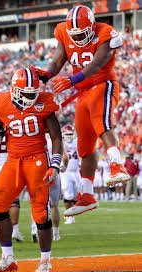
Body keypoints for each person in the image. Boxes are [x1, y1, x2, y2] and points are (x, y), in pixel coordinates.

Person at [30, 5, 130, 216]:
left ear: (92, 26)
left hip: (103, 84)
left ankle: (117, 165)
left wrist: (72, 80)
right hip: (83, 93)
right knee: (85, 145)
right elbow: (59, 59)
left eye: (82, 34)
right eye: (74, 34)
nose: (78, 38)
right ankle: (87, 195)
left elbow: (98, 63)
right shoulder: (63, 32)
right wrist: (47, 75)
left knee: (102, 123)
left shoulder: (106, 33)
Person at [0, 67, 63, 272]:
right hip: (13, 161)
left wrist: (54, 164)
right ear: (15, 90)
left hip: (37, 161)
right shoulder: (0, 103)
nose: (30, 98)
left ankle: (45, 261)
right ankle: (7, 257)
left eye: (33, 93)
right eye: (25, 94)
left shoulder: (44, 102)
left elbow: (56, 137)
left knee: (40, 213)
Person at [61, 124, 81, 224]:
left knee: (76, 196)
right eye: (67, 134)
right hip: (65, 172)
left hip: (76, 171)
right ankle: (69, 216)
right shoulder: (60, 143)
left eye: (70, 134)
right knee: (68, 195)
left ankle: (71, 215)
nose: (69, 136)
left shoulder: (76, 142)